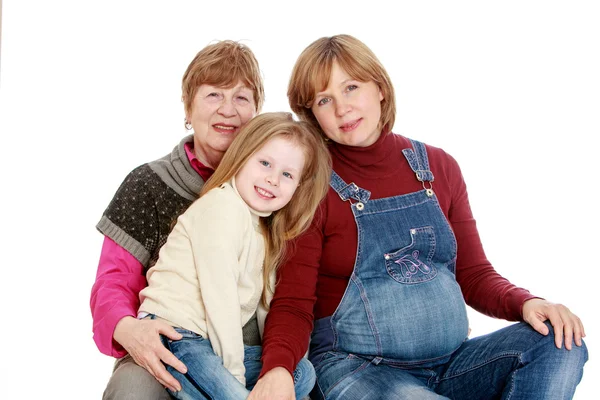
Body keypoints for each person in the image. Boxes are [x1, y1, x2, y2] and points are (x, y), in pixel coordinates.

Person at [249, 34, 588, 400]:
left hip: (454, 364)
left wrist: (526, 302)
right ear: (311, 114)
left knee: (560, 343)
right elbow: (294, 302)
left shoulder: (438, 167)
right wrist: (278, 369)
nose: (342, 108)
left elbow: (473, 275)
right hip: (357, 369)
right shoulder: (311, 186)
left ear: (379, 88)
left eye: (351, 87)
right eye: (324, 100)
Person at [90, 40, 265, 399]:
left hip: (249, 350)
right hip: (166, 341)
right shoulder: (148, 184)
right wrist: (127, 328)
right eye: (214, 95)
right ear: (188, 108)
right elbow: (113, 282)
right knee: (132, 391)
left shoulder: (275, 187)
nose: (228, 110)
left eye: (241, 98)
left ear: (257, 113)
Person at [138, 111, 330, 399]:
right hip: (175, 333)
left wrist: (272, 369)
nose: (272, 179)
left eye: (287, 174)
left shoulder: (264, 227)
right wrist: (234, 375)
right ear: (241, 157)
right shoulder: (222, 207)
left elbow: (266, 306)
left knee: (300, 373)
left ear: (298, 187)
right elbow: (220, 298)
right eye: (265, 163)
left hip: (207, 343)